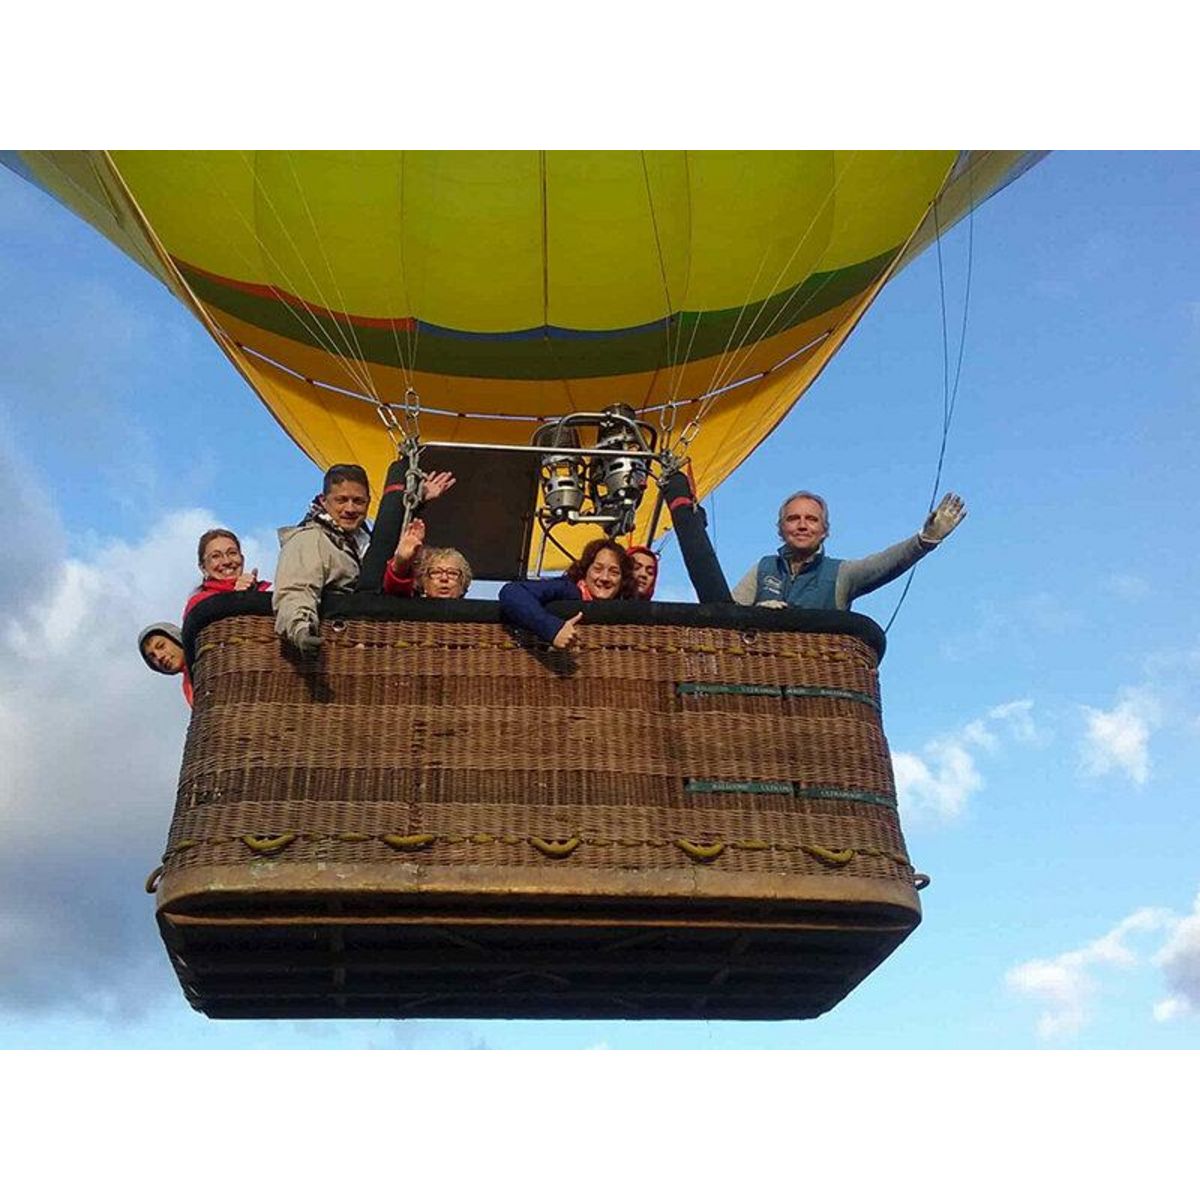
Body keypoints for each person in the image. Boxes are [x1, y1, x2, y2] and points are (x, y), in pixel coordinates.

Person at [274, 465, 457, 652]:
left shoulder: (363, 543)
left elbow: (385, 555)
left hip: (365, 643)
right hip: (332, 643)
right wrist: (300, 630)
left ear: (369, 502)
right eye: (341, 500)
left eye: (358, 501)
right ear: (323, 501)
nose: (350, 508)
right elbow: (296, 590)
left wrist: (416, 501)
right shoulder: (311, 540)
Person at [731, 490, 966, 610]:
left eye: (811, 519)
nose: (802, 525)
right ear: (781, 529)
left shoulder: (840, 574)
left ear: (824, 530)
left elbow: (884, 564)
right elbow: (727, 613)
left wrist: (925, 540)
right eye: (793, 519)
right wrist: (755, 615)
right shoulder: (764, 569)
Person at [499, 538, 633, 650]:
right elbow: (512, 592)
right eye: (597, 569)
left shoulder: (624, 610)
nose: (604, 577)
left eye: (614, 572)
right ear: (585, 571)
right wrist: (553, 629)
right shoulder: (567, 590)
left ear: (623, 580)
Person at [184, 528, 271, 618]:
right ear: (203, 567)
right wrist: (239, 597)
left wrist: (254, 594)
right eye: (216, 556)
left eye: (232, 553)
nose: (227, 561)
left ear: (242, 559)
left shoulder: (265, 590)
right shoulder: (199, 603)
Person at [383, 518, 472, 599]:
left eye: (452, 573)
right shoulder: (411, 608)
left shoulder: (474, 611)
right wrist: (401, 563)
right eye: (436, 572)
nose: (444, 578)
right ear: (424, 582)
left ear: (463, 586)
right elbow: (395, 595)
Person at [137, 621, 193, 706]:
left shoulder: (207, 655)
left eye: (161, 646)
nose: (159, 657)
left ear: (176, 638)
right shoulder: (187, 686)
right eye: (152, 656)